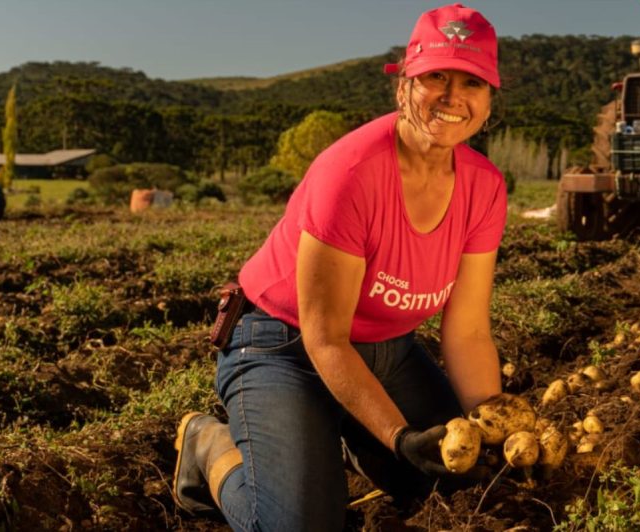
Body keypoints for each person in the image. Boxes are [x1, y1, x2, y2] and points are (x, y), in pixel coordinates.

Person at [171, 3, 507, 530]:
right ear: (403, 86)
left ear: (488, 101)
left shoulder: (484, 186)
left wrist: (497, 425)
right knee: (302, 525)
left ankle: (347, 440)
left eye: (471, 82)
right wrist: (398, 437)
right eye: (435, 77)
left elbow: (468, 331)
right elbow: (324, 338)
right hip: (283, 347)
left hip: (386, 351)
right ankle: (208, 447)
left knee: (469, 482)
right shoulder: (352, 172)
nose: (452, 96)